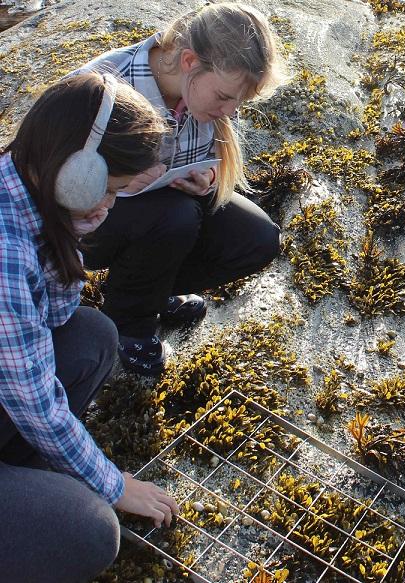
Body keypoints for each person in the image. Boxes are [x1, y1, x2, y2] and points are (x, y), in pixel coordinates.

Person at [0, 73, 179, 583]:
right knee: (92, 532)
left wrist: (69, 233)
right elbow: (36, 404)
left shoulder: (21, 185)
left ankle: (25, 479)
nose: (111, 205)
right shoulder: (4, 253)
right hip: (23, 403)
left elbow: (56, 319)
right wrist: (114, 485)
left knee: (91, 335)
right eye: (115, 190)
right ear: (75, 175)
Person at [76, 3, 287, 375]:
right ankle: (128, 322)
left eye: (241, 101)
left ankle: (149, 290)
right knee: (176, 216)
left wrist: (206, 183)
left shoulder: (212, 92)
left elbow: (209, 155)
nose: (231, 110)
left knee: (257, 237)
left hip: (160, 216)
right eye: (224, 97)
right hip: (89, 225)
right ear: (189, 60)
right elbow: (45, 183)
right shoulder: (106, 84)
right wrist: (111, 182)